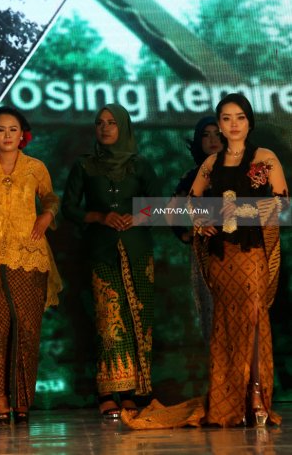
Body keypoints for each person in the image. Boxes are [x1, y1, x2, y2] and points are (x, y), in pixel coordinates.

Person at [123, 93, 288, 430]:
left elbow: (283, 205)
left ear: (249, 121)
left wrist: (240, 210)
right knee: (225, 324)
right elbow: (184, 205)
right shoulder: (210, 165)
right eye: (225, 118)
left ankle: (256, 395)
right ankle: (230, 400)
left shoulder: (265, 158)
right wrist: (199, 220)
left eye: (239, 117)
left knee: (255, 318)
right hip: (220, 256)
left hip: (253, 252)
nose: (232, 125)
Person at [61, 104, 159, 419]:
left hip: (138, 251)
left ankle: (131, 393)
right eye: (100, 123)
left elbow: (159, 206)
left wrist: (136, 216)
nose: (105, 128)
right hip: (101, 250)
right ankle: (107, 391)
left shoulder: (141, 165)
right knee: (108, 318)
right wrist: (100, 216)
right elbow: (69, 208)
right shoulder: (85, 166)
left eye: (112, 123)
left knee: (136, 320)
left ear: (124, 128)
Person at [0, 107, 62, 425]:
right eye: (0, 129)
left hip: (30, 259)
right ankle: (2, 400)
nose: (6, 135)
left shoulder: (36, 168)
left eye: (13, 129)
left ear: (23, 135)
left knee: (28, 331)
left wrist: (47, 215)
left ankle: (23, 400)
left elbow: (51, 198)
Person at [172, 117, 221, 345]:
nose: (212, 139)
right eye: (206, 134)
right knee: (213, 320)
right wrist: (185, 234)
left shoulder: (244, 171)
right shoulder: (192, 177)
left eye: (217, 133)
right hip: (206, 255)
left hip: (243, 252)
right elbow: (170, 211)